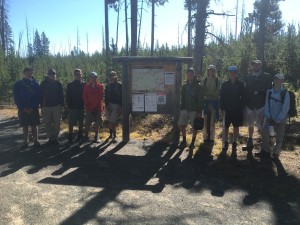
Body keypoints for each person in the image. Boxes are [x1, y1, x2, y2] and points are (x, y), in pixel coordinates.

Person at [244, 60, 272, 158]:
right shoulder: (248, 77)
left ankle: (264, 148)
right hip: (250, 105)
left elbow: (269, 90)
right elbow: (246, 90)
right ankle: (250, 142)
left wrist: (261, 92)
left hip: (262, 105)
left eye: (257, 65)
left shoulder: (267, 76)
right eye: (254, 65)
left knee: (262, 127)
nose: (255, 66)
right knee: (250, 125)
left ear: (260, 65)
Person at [260, 74, 289, 161]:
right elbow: (267, 104)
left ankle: (276, 153)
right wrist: (268, 115)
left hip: (281, 119)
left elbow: (285, 108)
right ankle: (266, 150)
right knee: (264, 132)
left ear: (282, 81)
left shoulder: (285, 93)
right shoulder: (269, 92)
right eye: (275, 78)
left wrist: (279, 119)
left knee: (279, 136)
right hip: (270, 118)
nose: (276, 80)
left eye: (279, 79)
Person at [219, 66, 245, 160]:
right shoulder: (225, 84)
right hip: (227, 109)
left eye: (234, 72)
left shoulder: (241, 84)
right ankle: (225, 143)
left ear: (237, 73)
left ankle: (234, 143)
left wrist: (242, 108)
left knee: (236, 127)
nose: (232, 73)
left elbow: (243, 97)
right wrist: (222, 108)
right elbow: (221, 97)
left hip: (237, 109)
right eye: (231, 72)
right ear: (228, 73)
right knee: (225, 127)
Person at [13, 67, 42, 148]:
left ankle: (36, 140)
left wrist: (32, 107)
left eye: (30, 72)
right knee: (24, 125)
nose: (29, 73)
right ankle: (26, 141)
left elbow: (38, 96)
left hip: (33, 108)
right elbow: (16, 97)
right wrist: (23, 108)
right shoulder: (18, 83)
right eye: (27, 72)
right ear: (24, 73)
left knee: (34, 124)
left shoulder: (36, 83)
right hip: (23, 109)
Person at [178, 67, 204, 148]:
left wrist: (200, 111)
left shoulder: (198, 86)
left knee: (194, 127)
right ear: (186, 74)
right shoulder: (184, 86)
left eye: (191, 73)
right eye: (188, 73)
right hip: (185, 109)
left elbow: (201, 99)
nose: (189, 75)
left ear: (194, 74)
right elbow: (182, 97)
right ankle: (184, 141)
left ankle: (193, 142)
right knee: (181, 125)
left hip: (194, 109)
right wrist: (181, 107)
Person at [40, 68, 64, 145]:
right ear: (48, 75)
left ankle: (55, 137)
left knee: (57, 123)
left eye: (53, 74)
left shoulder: (58, 83)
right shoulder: (43, 83)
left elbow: (61, 95)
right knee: (47, 123)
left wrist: (62, 105)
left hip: (57, 106)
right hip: (46, 107)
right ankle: (50, 138)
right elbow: (40, 95)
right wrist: (41, 105)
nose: (52, 75)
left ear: (55, 75)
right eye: (50, 74)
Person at [201, 64, 221, 144]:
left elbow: (217, 93)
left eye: (213, 70)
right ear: (208, 71)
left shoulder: (217, 80)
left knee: (212, 121)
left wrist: (207, 93)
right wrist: (210, 93)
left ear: (215, 71)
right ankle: (205, 138)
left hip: (214, 104)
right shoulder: (204, 80)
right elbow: (202, 92)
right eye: (210, 70)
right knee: (205, 121)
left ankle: (212, 138)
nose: (211, 71)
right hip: (205, 104)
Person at [83, 71, 105, 143]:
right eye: (91, 77)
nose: (93, 79)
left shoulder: (100, 86)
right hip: (89, 108)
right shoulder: (86, 86)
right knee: (87, 122)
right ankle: (86, 136)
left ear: (96, 78)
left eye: (94, 77)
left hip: (97, 108)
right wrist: (88, 105)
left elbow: (100, 97)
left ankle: (96, 136)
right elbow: (84, 96)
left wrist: (93, 106)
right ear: (90, 78)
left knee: (97, 122)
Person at [66, 68, 86, 143]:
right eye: (77, 74)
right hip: (73, 107)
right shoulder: (70, 84)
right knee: (71, 122)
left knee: (81, 122)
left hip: (81, 106)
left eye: (80, 74)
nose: (79, 76)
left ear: (82, 74)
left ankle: (80, 134)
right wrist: (69, 106)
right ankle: (70, 135)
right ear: (74, 75)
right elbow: (67, 96)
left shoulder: (84, 84)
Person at [105, 71, 122, 143]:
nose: (111, 77)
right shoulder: (108, 86)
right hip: (109, 105)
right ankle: (111, 135)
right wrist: (106, 105)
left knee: (113, 121)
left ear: (116, 76)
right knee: (110, 120)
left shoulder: (120, 85)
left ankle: (114, 135)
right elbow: (106, 97)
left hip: (116, 105)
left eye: (113, 76)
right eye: (110, 76)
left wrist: (120, 106)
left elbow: (122, 96)